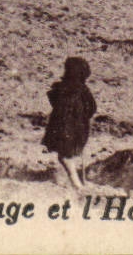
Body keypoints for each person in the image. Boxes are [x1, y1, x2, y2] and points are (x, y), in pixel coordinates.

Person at [43, 56, 97, 191]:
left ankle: (76, 184)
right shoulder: (83, 90)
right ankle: (76, 182)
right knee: (67, 156)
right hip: (78, 129)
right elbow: (92, 108)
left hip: (61, 128)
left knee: (65, 157)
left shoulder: (60, 88)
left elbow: (53, 101)